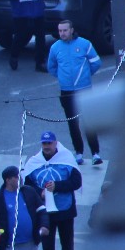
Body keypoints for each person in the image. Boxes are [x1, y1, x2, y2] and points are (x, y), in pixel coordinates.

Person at [23, 132, 82, 250]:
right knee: (47, 247)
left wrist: (58, 186)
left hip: (65, 210)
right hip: (44, 213)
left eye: (49, 143)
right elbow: (27, 185)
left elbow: (76, 182)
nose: (47, 146)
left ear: (56, 143)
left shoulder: (67, 160)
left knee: (67, 245)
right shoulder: (34, 162)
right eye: (44, 144)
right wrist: (38, 192)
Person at [47, 20, 103, 165]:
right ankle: (79, 153)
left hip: (84, 89)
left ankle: (95, 153)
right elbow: (51, 66)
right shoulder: (55, 47)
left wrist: (85, 77)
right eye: (60, 31)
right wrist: (62, 78)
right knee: (73, 124)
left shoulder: (85, 44)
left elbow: (96, 62)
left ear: (72, 30)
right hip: (66, 91)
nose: (62, 33)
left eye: (65, 30)